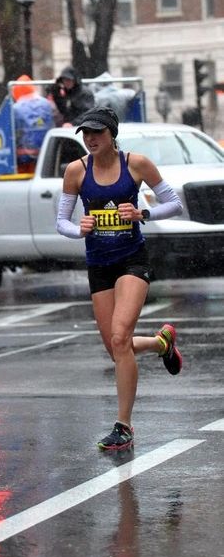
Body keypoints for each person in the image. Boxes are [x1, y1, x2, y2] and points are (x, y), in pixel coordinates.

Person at [56, 106, 183, 451]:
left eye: (97, 132)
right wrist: (77, 229)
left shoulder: (136, 164)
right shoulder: (76, 171)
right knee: (116, 347)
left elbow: (174, 204)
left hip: (132, 261)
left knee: (120, 335)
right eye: (86, 133)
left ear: (112, 134)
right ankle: (161, 343)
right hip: (99, 265)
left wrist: (143, 213)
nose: (91, 139)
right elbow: (62, 222)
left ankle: (123, 426)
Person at [12, 74, 55, 173]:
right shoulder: (46, 104)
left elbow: (12, 132)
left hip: (23, 157)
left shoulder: (16, 108)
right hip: (46, 154)